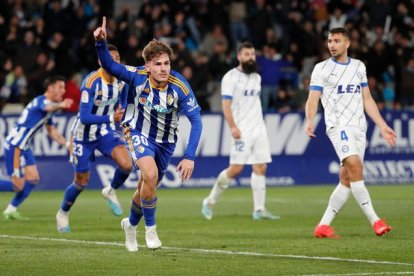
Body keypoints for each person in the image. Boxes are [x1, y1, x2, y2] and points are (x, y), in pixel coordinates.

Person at [94, 17, 202, 252]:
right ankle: (150, 231)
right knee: (150, 175)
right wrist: (101, 43)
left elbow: (196, 120)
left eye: (166, 63)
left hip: (166, 142)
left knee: (147, 184)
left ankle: (130, 225)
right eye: (158, 64)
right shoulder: (137, 76)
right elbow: (110, 67)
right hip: (137, 132)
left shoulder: (180, 86)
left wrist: (190, 155)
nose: (164, 68)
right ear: (148, 66)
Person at [305, 27, 396, 238]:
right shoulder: (321, 69)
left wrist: (382, 125)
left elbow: (367, 99)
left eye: (336, 41)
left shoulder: (358, 66)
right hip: (338, 126)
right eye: (329, 41)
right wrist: (309, 120)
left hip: (359, 127)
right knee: (355, 165)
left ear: (347, 43)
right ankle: (376, 220)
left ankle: (323, 226)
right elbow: (313, 98)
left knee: (346, 179)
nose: (332, 45)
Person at [56, 44, 133, 233]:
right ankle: (63, 213)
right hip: (82, 136)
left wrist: (120, 112)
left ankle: (110, 190)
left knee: (127, 165)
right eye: (111, 58)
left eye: (117, 59)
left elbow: (123, 100)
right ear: (101, 60)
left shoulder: (121, 81)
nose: (115, 62)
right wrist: (111, 117)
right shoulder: (91, 82)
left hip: (105, 131)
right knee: (82, 181)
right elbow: (84, 116)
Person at [201, 41, 279, 221]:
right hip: (241, 130)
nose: (250, 57)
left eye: (252, 54)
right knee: (235, 169)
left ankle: (259, 210)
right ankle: (210, 201)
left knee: (261, 167)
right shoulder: (230, 77)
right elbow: (226, 105)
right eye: (246, 54)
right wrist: (233, 127)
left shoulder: (256, 77)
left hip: (259, 129)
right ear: (239, 56)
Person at [0, 76, 72, 219]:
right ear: (50, 88)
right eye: (60, 87)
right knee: (18, 186)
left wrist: (67, 144)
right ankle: (10, 210)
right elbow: (47, 106)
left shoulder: (49, 108)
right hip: (15, 146)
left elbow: (51, 130)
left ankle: (10, 210)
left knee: (33, 178)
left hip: (24, 147)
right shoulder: (42, 101)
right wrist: (61, 105)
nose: (63, 91)